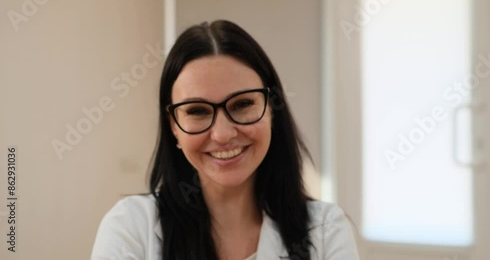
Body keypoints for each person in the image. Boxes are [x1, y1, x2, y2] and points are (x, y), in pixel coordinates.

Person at [91, 20, 360, 260]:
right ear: (173, 125)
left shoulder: (327, 231)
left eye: (243, 104)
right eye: (197, 111)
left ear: (272, 109)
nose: (222, 134)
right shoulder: (130, 227)